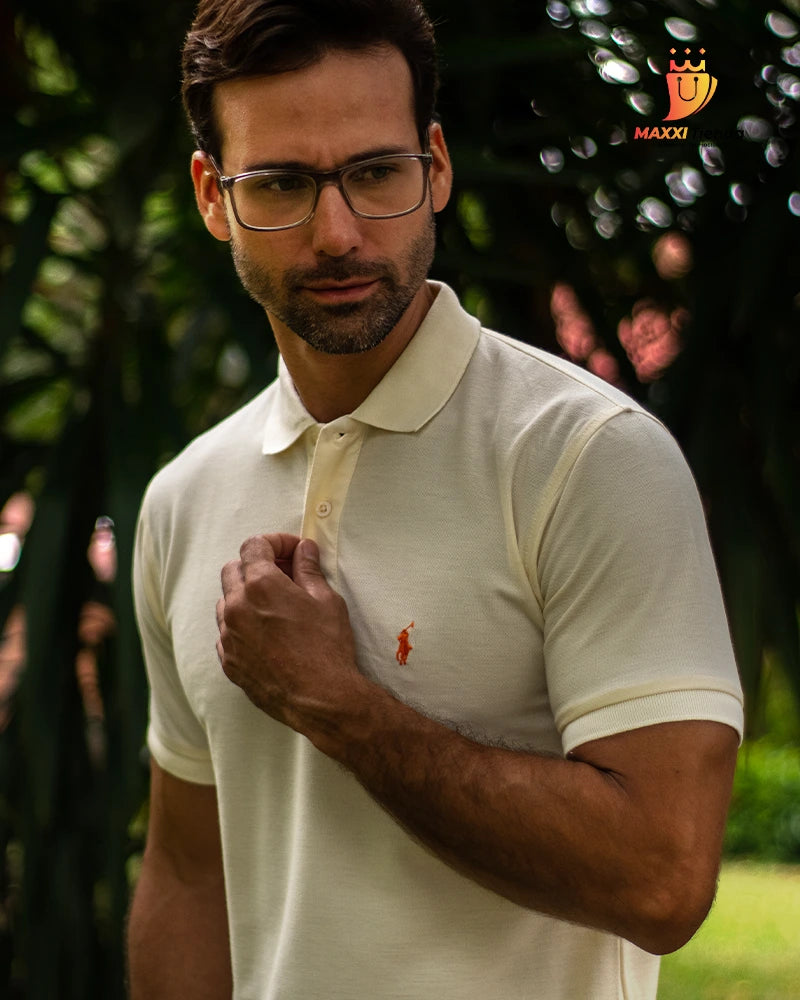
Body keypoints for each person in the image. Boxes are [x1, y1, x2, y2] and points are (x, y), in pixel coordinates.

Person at [127, 1, 744, 997]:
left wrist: (339, 706)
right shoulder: (184, 497)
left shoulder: (588, 458)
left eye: (376, 173)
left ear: (437, 168)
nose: (337, 234)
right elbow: (193, 872)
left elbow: (662, 880)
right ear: (211, 195)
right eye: (280, 184)